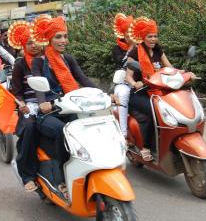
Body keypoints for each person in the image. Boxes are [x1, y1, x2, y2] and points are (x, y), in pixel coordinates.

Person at [30, 15, 97, 197]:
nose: (63, 40)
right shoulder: (38, 62)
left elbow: (82, 79)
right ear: (49, 39)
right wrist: (43, 101)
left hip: (71, 106)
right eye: (58, 37)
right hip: (49, 112)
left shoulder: (68, 59)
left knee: (89, 127)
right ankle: (61, 178)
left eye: (65, 36)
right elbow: (38, 85)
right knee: (63, 131)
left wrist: (104, 94)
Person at [125, 17, 172, 161]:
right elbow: (128, 77)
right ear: (142, 37)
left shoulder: (158, 49)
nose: (153, 39)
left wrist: (183, 74)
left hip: (158, 91)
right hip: (140, 93)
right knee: (154, 113)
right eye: (149, 36)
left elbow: (169, 68)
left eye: (155, 36)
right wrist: (135, 83)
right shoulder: (134, 54)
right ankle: (145, 147)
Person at [9, 21, 43, 192]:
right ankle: (26, 173)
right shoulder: (20, 65)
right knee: (30, 127)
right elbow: (16, 91)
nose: (34, 45)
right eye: (30, 42)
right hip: (29, 106)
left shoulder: (51, 59)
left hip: (52, 104)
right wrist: (22, 104)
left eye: (37, 40)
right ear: (23, 45)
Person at [112, 13, 134, 138]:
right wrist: (132, 47)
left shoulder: (143, 46)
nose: (129, 35)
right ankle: (123, 133)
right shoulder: (116, 49)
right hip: (123, 82)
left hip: (143, 81)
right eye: (127, 32)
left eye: (131, 31)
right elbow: (122, 62)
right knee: (124, 94)